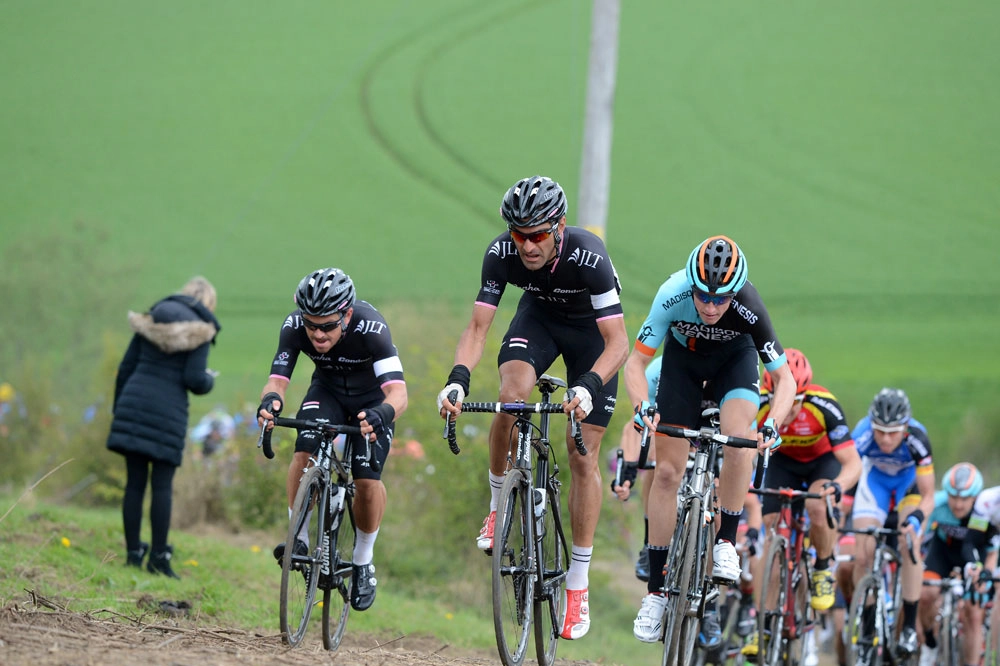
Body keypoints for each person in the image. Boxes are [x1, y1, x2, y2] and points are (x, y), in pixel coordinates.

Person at [437, 175, 629, 640]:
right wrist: (457, 379)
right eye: (518, 234)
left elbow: (618, 343)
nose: (527, 245)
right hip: (539, 321)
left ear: (559, 227)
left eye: (538, 235)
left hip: (592, 338)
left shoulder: (590, 257)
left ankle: (577, 585)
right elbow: (478, 329)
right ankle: (498, 504)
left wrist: (588, 386)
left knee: (581, 454)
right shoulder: (501, 253)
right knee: (511, 399)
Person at [625, 235, 795, 644]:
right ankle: (655, 595)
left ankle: (725, 542)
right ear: (691, 285)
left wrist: (772, 423)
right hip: (682, 366)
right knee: (667, 473)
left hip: (734, 364)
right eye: (703, 296)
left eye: (721, 299)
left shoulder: (749, 305)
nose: (711, 306)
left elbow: (784, 378)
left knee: (739, 438)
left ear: (736, 292)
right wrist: (641, 405)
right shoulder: (671, 294)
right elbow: (636, 362)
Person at [256, 268, 407, 613]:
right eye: (311, 325)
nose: (318, 334)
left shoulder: (372, 328)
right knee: (304, 449)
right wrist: (271, 401)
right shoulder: (294, 326)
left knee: (366, 478)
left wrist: (383, 413)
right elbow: (277, 381)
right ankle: (299, 537)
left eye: (327, 326)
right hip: (327, 392)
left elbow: (399, 394)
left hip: (373, 400)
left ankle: (363, 560)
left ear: (347, 315)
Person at [740, 348, 862, 657]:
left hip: (821, 463)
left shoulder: (824, 406)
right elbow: (745, 453)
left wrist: (837, 487)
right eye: (783, 398)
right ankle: (762, 626)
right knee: (772, 534)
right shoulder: (759, 404)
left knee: (818, 507)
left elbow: (852, 463)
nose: (790, 407)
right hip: (783, 463)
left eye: (796, 400)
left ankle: (822, 567)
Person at [106, 276, 221, 578]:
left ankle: (133, 553)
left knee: (134, 483)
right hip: (167, 412)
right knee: (161, 486)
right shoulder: (201, 330)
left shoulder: (152, 318)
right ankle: (158, 557)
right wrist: (209, 380)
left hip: (133, 403)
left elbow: (126, 367)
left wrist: (119, 409)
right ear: (208, 303)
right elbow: (194, 380)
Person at [850, 387, 935, 659]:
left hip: (908, 486)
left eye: (893, 432)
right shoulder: (862, 433)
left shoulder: (918, 438)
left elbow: (929, 495)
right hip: (875, 484)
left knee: (909, 543)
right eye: (880, 431)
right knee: (862, 553)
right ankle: (866, 626)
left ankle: (908, 626)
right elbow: (848, 469)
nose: (886, 439)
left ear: (905, 427)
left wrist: (917, 518)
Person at [917, 463, 996, 666]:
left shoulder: (983, 510)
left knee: (974, 613)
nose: (958, 505)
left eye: (964, 499)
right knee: (926, 594)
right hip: (943, 553)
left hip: (975, 557)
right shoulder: (938, 504)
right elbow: (922, 534)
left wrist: (984, 572)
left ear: (975, 497)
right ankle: (929, 642)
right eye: (953, 497)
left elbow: (991, 550)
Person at [610, 356, 661, 582]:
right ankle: (650, 543)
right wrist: (627, 475)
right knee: (656, 461)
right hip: (667, 425)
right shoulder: (657, 372)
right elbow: (635, 425)